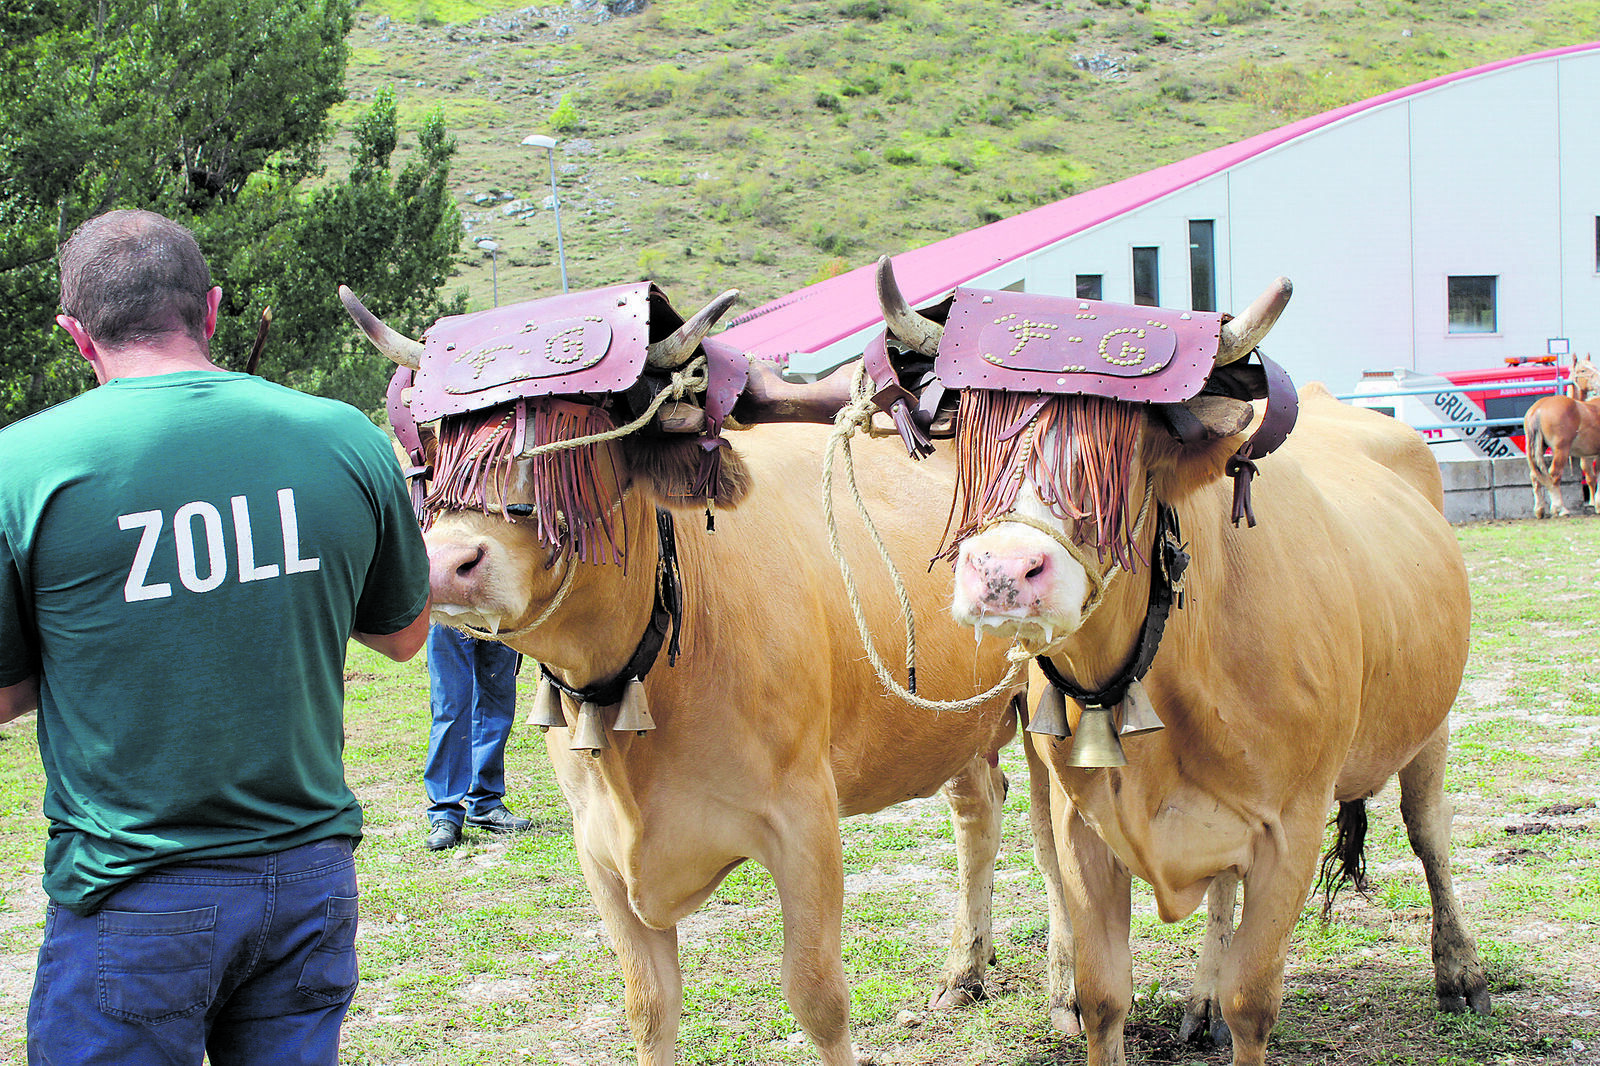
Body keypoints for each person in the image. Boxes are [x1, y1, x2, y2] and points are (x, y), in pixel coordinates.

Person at [0, 209, 432, 1065]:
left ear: (74, 335)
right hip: (310, 876)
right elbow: (403, 634)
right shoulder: (341, 436)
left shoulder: (23, 466)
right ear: (212, 309)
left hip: (135, 889)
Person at [423, 624, 533, 850]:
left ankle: (485, 802)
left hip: (500, 604)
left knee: (496, 703)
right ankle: (445, 813)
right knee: (450, 706)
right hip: (451, 608)